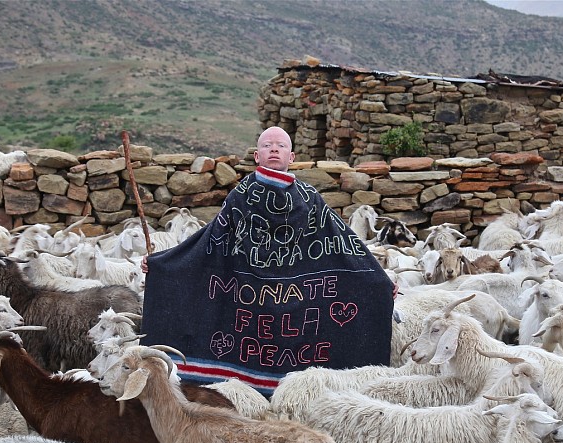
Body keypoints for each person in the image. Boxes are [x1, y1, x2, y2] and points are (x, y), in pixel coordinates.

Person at [140, 126, 396, 395]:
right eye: (267, 145)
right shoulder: (240, 195)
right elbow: (209, 239)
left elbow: (344, 242)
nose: (274, 149)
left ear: (292, 156)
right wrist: (163, 264)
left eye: (281, 145)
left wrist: (378, 280)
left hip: (298, 299)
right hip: (247, 295)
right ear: (257, 156)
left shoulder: (310, 200)